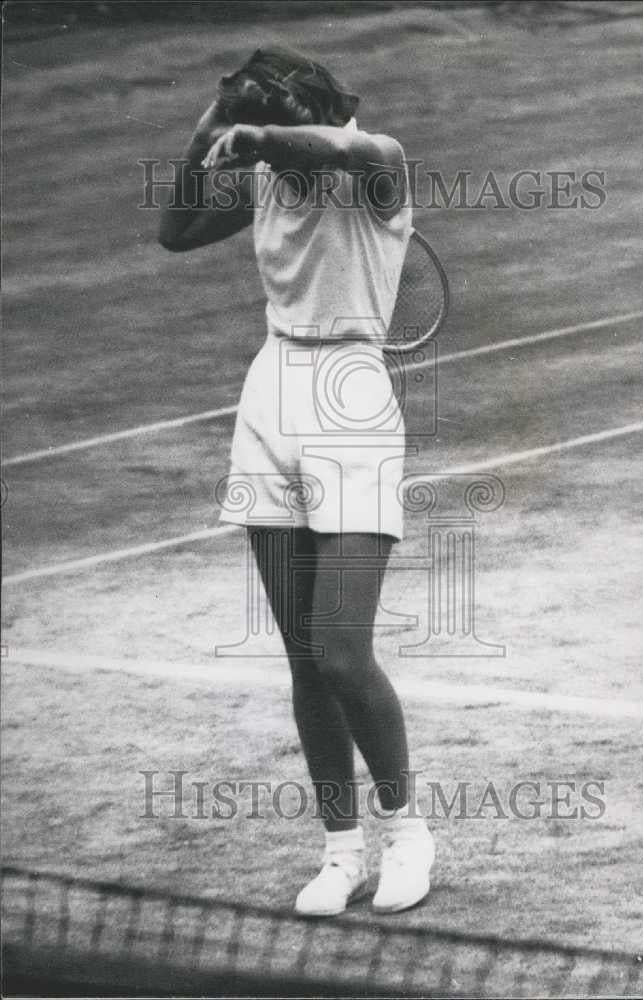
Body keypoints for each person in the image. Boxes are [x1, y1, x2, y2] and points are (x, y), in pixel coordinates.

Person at [158, 46, 434, 916]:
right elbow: (175, 230)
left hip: (350, 401)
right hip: (270, 394)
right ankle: (340, 850)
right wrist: (210, 129)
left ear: (302, 114)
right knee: (302, 659)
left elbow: (360, 153)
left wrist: (261, 130)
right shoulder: (271, 180)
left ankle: (408, 835)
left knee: (340, 649)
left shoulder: (376, 166)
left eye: (266, 120)